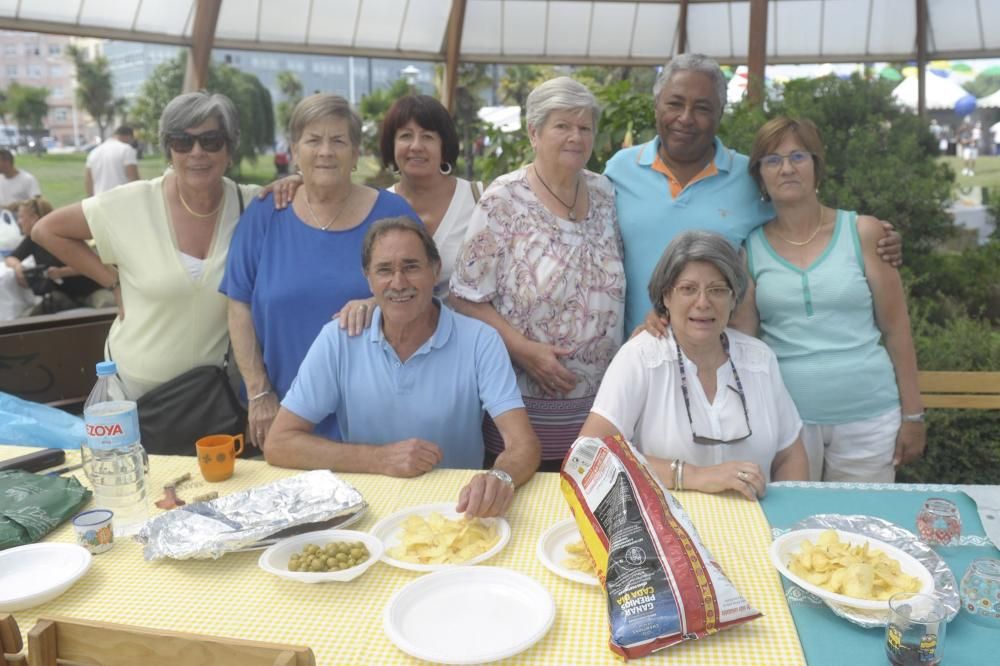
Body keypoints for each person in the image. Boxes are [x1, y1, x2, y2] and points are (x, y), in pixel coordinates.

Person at [604, 53, 901, 336]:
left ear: (720, 113)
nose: (686, 117)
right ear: (656, 106)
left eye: (702, 108)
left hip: (720, 362)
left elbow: (803, 227)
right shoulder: (620, 169)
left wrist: (876, 241)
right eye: (675, 104)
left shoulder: (751, 177)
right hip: (638, 356)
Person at [267, 217, 541, 518]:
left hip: (457, 512)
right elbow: (280, 443)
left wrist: (500, 478)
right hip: (366, 513)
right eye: (385, 270)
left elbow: (523, 444)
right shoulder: (338, 339)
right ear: (368, 279)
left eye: (411, 266)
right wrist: (379, 459)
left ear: (435, 271)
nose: (398, 283)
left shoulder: (480, 340)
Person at [221, 94, 419, 450]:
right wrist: (258, 393)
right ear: (295, 150)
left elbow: (425, 290)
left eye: (339, 141)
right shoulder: (266, 213)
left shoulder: (392, 213)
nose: (325, 151)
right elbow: (239, 305)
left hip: (379, 419)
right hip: (284, 417)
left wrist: (377, 301)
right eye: (313, 140)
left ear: (356, 153)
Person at [32, 92, 257, 398]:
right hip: (132, 395)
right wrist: (112, 282)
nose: (196, 152)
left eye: (211, 141)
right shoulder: (131, 202)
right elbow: (46, 230)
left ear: (230, 147)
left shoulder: (253, 205)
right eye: (182, 141)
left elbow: (312, 202)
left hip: (212, 397)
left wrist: (293, 182)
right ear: (168, 150)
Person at [450, 77, 625, 471]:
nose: (575, 137)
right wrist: (525, 351)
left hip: (601, 412)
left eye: (585, 128)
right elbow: (462, 297)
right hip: (521, 415)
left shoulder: (605, 193)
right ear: (534, 132)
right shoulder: (504, 199)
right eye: (562, 126)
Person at [741, 117, 925, 482]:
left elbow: (897, 329)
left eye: (798, 156)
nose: (787, 168)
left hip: (869, 418)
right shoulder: (750, 250)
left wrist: (914, 416)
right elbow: (744, 343)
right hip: (787, 421)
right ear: (760, 176)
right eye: (773, 160)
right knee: (793, 531)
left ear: (817, 166)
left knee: (862, 532)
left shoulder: (865, 233)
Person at [579, 231, 809, 500]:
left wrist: (790, 519)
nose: (703, 303)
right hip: (666, 525)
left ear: (734, 298)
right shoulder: (641, 358)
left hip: (755, 527)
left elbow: (790, 455)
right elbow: (588, 454)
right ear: (666, 296)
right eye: (688, 289)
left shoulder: (760, 360)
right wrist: (695, 475)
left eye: (717, 290)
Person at [382, 95, 481, 299]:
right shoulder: (377, 206)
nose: (416, 146)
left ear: (444, 147)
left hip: (474, 328)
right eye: (406, 136)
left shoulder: (481, 199)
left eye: (427, 136)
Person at [4, 197, 107, 315]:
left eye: (21, 217)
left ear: (34, 218)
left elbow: (92, 264)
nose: (19, 222)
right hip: (63, 295)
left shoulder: (62, 235)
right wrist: (18, 268)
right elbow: (11, 258)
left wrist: (61, 272)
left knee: (106, 307)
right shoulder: (33, 240)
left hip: (92, 291)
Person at [85, 125, 140, 196]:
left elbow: (88, 181)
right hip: (121, 198)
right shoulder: (127, 149)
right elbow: (133, 177)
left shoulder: (94, 152)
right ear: (129, 137)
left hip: (100, 199)